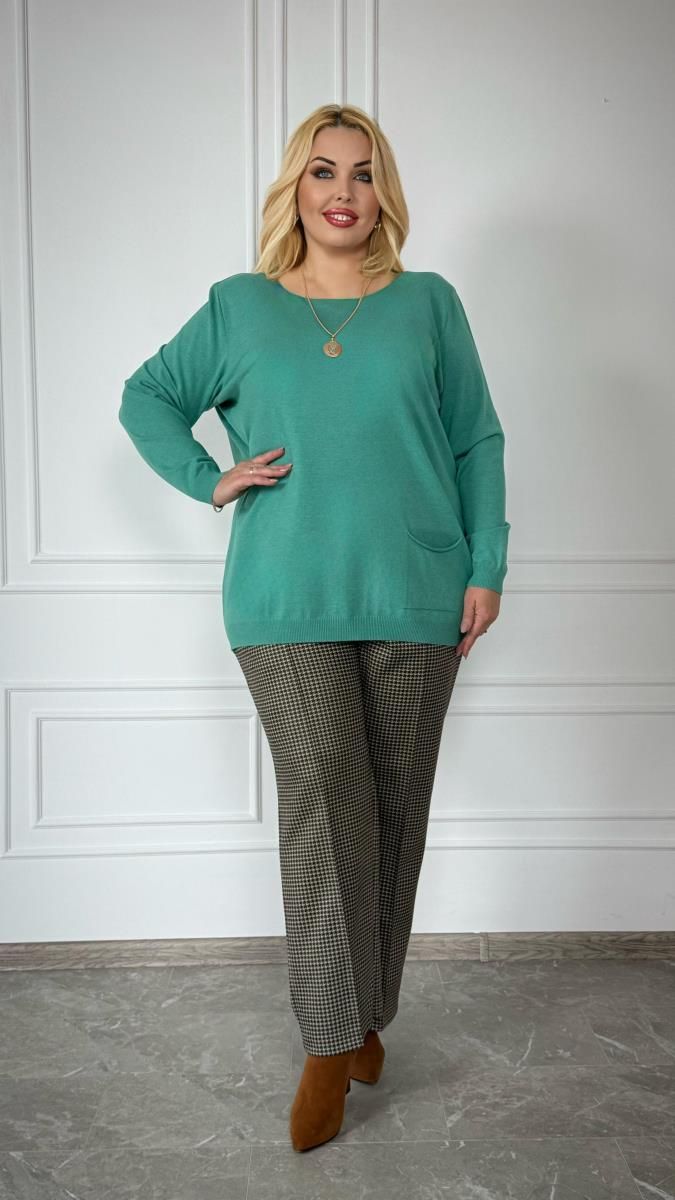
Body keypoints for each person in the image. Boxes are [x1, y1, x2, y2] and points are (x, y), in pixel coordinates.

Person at [118, 103, 511, 1152]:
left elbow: (474, 440)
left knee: (393, 808)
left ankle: (369, 1011)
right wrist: (209, 478)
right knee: (324, 791)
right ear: (295, 188)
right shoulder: (239, 307)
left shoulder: (428, 303)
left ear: (385, 194)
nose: (343, 191)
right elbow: (148, 396)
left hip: (418, 589)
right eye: (324, 171)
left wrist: (487, 565)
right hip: (283, 597)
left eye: (363, 173)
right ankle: (331, 1042)